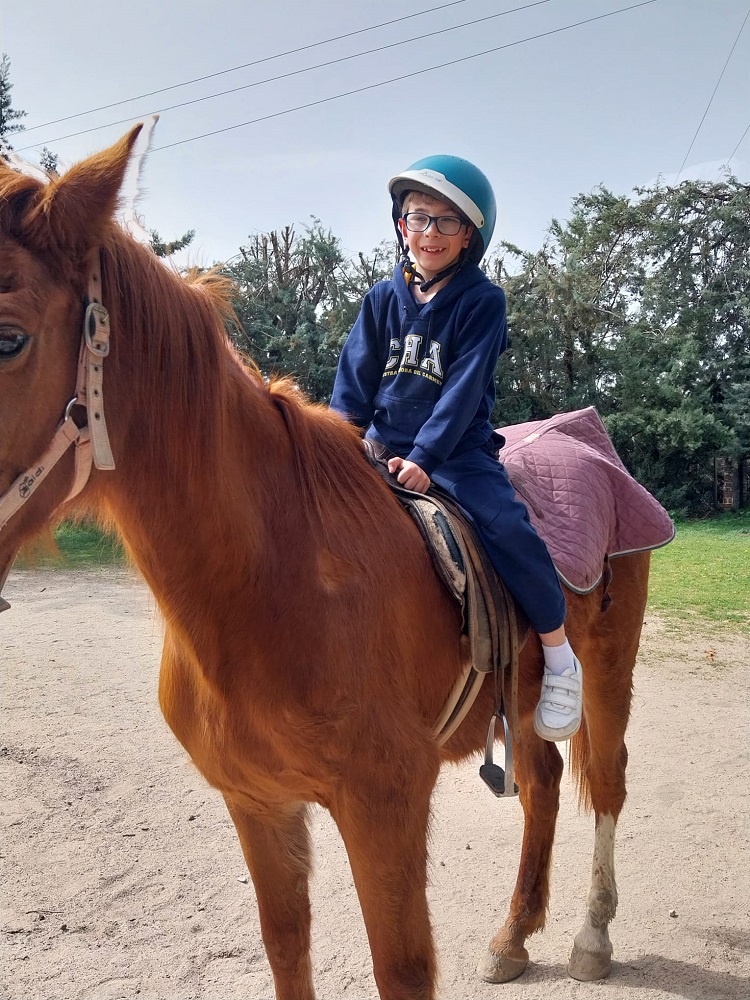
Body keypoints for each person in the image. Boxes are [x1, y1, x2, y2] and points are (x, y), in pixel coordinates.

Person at [330, 155, 582, 742]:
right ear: (402, 225)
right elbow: (352, 384)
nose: (431, 232)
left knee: (508, 529)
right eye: (420, 217)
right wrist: (339, 448)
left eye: (448, 221)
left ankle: (559, 656)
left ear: (469, 235)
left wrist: (426, 458)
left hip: (456, 454)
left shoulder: (482, 302)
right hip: (379, 450)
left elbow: (463, 391)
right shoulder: (380, 300)